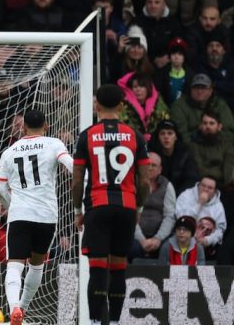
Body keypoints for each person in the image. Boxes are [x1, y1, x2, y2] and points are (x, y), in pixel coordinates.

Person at [72, 84, 150, 325]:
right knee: (118, 269)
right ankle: (115, 322)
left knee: (97, 270)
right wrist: (138, 209)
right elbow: (145, 181)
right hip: (126, 207)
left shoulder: (87, 135)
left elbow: (76, 181)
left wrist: (78, 210)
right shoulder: (135, 136)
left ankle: (95, 322)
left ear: (96, 105)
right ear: (121, 107)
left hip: (98, 206)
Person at [0, 109, 73, 325]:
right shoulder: (54, 143)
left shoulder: (9, 152)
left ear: (24, 127)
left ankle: (13, 310)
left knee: (14, 264)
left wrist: (14, 206)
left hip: (20, 215)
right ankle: (24, 307)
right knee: (37, 264)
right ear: (46, 125)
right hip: (46, 216)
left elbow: (0, 190)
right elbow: (70, 165)